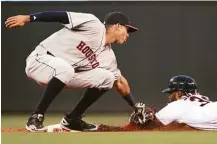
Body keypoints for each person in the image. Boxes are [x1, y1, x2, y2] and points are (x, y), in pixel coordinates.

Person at [5, 11, 144, 132]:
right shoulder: (93, 24)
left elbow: (119, 83)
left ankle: (72, 120)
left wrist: (136, 106)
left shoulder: (109, 57)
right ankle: (36, 116)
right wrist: (27, 18)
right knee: (66, 69)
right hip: (40, 60)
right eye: (127, 30)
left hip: (63, 75)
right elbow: (60, 16)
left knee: (107, 78)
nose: (128, 35)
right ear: (117, 26)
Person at [129, 75, 217, 131]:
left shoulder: (178, 105)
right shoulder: (197, 102)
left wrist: (139, 122)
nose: (169, 96)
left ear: (179, 93)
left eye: (171, 93)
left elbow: (153, 127)